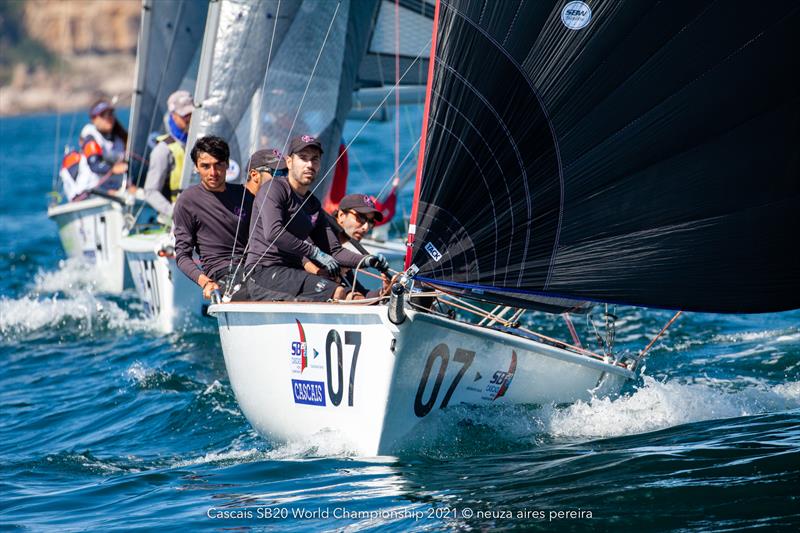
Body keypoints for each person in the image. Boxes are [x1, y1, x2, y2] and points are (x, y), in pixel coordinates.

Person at [246, 135, 389, 302]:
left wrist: (367, 260)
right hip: (263, 272)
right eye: (303, 158)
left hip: (292, 273)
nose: (309, 165)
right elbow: (273, 233)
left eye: (315, 159)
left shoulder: (312, 203)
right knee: (337, 292)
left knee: (346, 293)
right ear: (290, 162)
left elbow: (334, 251)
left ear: (320, 165)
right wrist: (314, 252)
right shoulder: (274, 188)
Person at [172, 136, 254, 300]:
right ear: (196, 167)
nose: (213, 173)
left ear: (227, 164)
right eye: (205, 166)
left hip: (254, 268)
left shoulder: (244, 195)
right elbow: (182, 255)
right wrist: (206, 282)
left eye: (218, 165)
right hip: (222, 273)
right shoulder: (187, 201)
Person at [61, 99, 128, 201]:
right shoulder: (91, 136)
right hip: (88, 191)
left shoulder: (120, 139)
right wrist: (113, 169)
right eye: (103, 115)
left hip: (112, 188)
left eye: (110, 114)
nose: (108, 118)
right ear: (94, 119)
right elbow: (95, 165)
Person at [144, 89, 193, 219]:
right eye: (185, 115)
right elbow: (150, 192)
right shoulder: (162, 150)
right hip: (179, 219)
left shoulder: (202, 143)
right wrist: (174, 212)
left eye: (192, 113)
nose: (189, 119)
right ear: (173, 116)